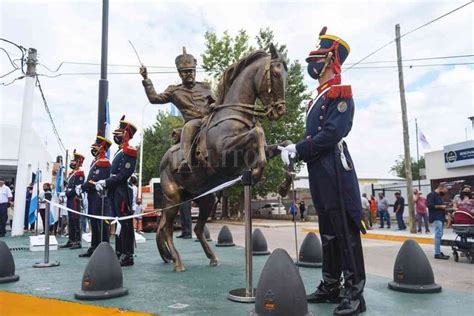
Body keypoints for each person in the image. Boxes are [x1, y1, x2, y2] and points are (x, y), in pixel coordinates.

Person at [280, 27, 366, 315]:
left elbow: (331, 134)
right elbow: (315, 136)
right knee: (328, 231)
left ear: (331, 60)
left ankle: (355, 293)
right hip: (319, 168)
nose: (311, 65)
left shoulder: (340, 93)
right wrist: (295, 148)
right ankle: (331, 285)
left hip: (334, 167)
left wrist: (299, 149)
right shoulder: (317, 98)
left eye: (317, 59)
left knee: (345, 230)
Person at [140, 47, 215, 174]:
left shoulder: (205, 87)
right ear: (179, 74)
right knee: (189, 127)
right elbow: (154, 98)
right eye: (185, 72)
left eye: (191, 71)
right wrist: (146, 78)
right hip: (194, 123)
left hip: (211, 120)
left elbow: (216, 102)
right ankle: (185, 161)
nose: (189, 74)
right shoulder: (174, 91)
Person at [96, 115, 137, 266]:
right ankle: (119, 251)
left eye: (119, 133)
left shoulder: (129, 151)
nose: (116, 136)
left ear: (126, 134)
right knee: (118, 221)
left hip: (122, 190)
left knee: (125, 223)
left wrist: (106, 182)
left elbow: (123, 174)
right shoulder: (119, 151)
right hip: (115, 189)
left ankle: (128, 254)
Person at [77, 135, 112, 258]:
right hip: (93, 198)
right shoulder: (96, 162)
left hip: (100, 198)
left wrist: (83, 186)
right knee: (94, 223)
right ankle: (94, 247)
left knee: (101, 224)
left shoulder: (104, 163)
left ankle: (103, 249)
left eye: (96, 147)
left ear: (102, 148)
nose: (93, 149)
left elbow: (96, 181)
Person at [60, 150, 85, 249]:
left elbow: (78, 187)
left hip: (75, 199)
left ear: (78, 162)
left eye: (74, 161)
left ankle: (77, 241)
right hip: (70, 199)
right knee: (71, 219)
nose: (72, 163)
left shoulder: (80, 174)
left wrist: (69, 192)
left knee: (75, 219)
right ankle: (71, 240)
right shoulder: (72, 173)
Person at [427, 184, 449, 260]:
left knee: (440, 234)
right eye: (444, 191)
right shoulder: (431, 195)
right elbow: (430, 205)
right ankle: (437, 253)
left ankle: (438, 251)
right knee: (438, 234)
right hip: (436, 217)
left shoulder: (439, 196)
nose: (445, 193)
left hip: (441, 217)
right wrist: (441, 206)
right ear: (440, 188)